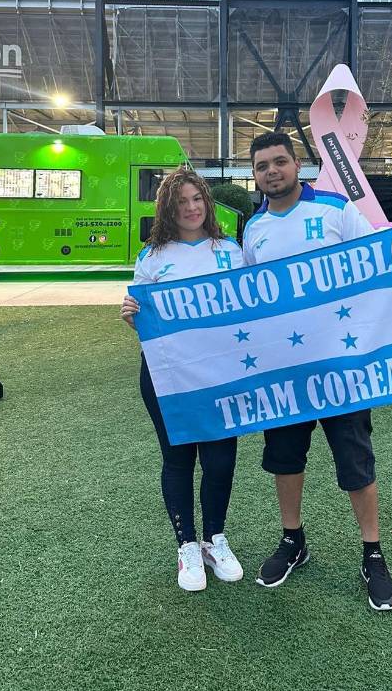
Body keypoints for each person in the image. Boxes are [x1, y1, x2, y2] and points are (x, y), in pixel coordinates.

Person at [242, 131, 392, 612]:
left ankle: (372, 552)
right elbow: (245, 300)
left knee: (355, 460)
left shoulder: (334, 209)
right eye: (262, 165)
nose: (272, 171)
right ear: (255, 174)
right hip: (283, 373)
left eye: (279, 161)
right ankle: (293, 541)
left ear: (296, 167)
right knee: (284, 459)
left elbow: (379, 258)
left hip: (341, 366)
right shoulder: (253, 230)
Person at [120, 168, 245, 592]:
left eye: (197, 199)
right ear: (167, 210)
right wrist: (131, 316)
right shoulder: (152, 258)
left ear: (207, 202)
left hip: (221, 372)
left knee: (221, 459)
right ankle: (186, 546)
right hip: (166, 374)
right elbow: (141, 317)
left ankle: (215, 539)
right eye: (181, 202)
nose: (191, 208)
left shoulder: (229, 249)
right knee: (178, 459)